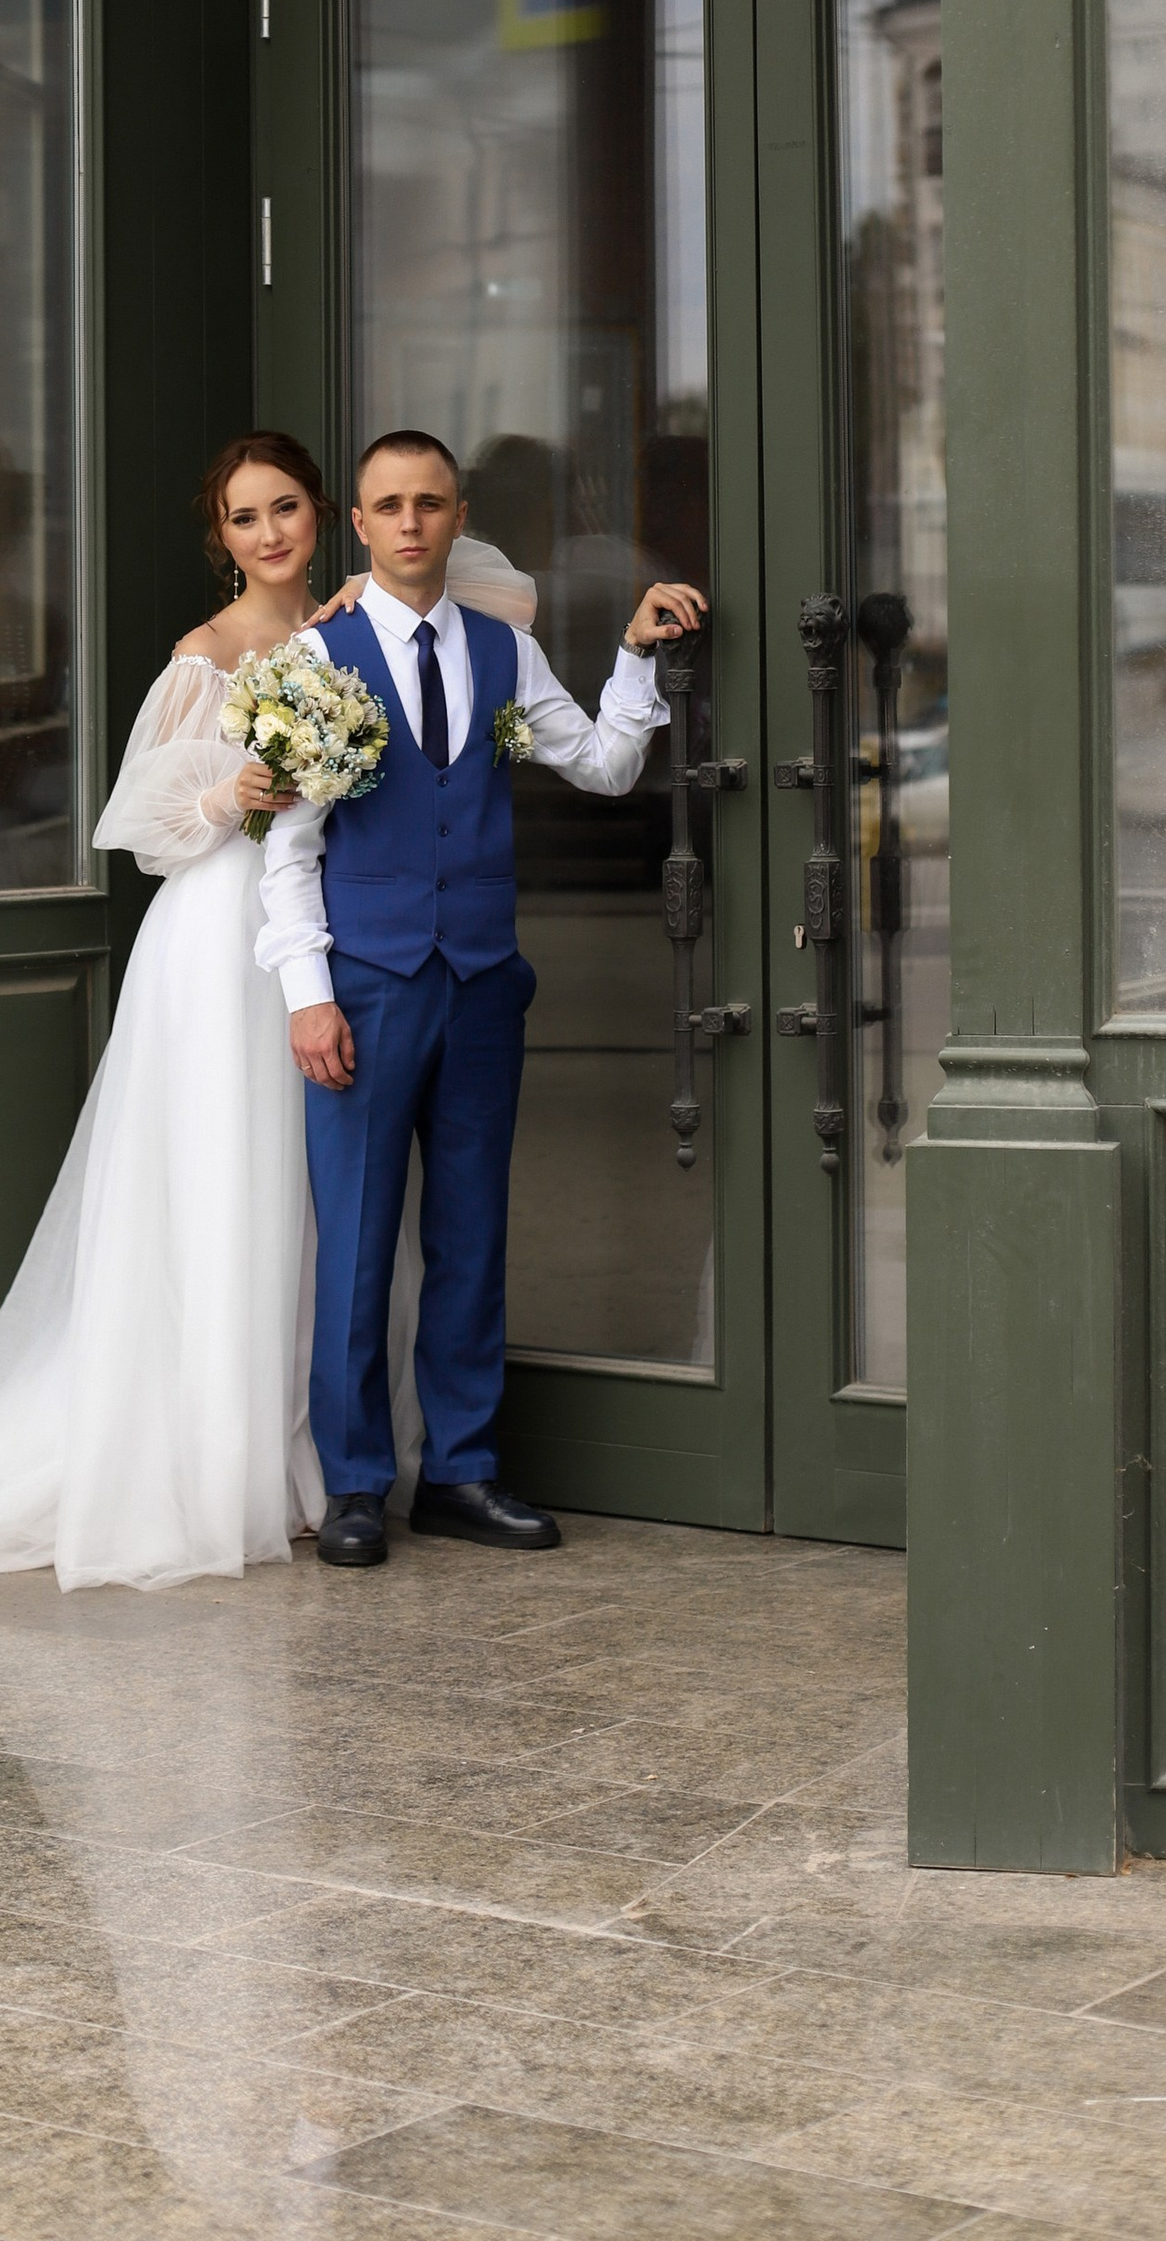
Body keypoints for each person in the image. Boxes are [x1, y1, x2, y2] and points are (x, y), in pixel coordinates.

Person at [0, 430, 536, 1592]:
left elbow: (497, 587)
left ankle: (323, 1457)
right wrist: (237, 790)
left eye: (286, 508)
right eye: (244, 518)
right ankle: (226, 1456)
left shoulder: (355, 626)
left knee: (322, 1209)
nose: (269, 533)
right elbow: (138, 828)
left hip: (344, 945)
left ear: (328, 516)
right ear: (222, 540)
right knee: (240, 1189)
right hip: (230, 942)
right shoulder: (207, 655)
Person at [257, 428, 705, 1570]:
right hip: (364, 986)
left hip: (480, 985)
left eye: (431, 503)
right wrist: (309, 995)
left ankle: (460, 1469)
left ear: (458, 519)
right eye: (388, 505)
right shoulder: (315, 663)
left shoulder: (506, 651)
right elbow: (289, 850)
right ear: (358, 526)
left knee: (471, 1235)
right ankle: (356, 1483)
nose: (410, 522)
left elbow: (603, 767)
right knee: (354, 1243)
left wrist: (635, 656)